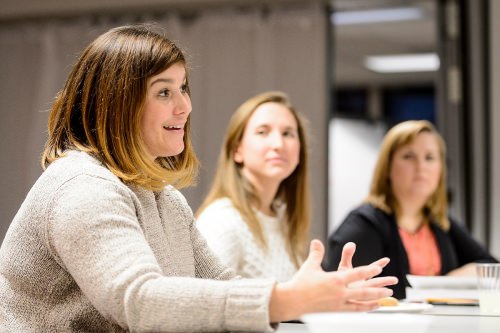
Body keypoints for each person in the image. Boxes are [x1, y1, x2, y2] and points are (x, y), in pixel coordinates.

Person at [0, 24, 397, 332]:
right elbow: (139, 301)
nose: (185, 106)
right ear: (117, 103)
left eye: (184, 88)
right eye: (164, 92)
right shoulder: (81, 186)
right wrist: (286, 299)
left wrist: (309, 299)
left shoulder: (164, 199)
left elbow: (222, 284)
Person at [322, 120, 498, 299]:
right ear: (387, 168)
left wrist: (451, 280)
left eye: (429, 158)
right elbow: (338, 292)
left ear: (440, 171)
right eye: (408, 156)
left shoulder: (440, 223)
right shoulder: (365, 225)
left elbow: (492, 269)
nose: (421, 166)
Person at [196, 91, 309, 282]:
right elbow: (205, 303)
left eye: (288, 133)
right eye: (262, 132)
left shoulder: (283, 217)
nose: (278, 144)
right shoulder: (222, 219)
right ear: (237, 150)